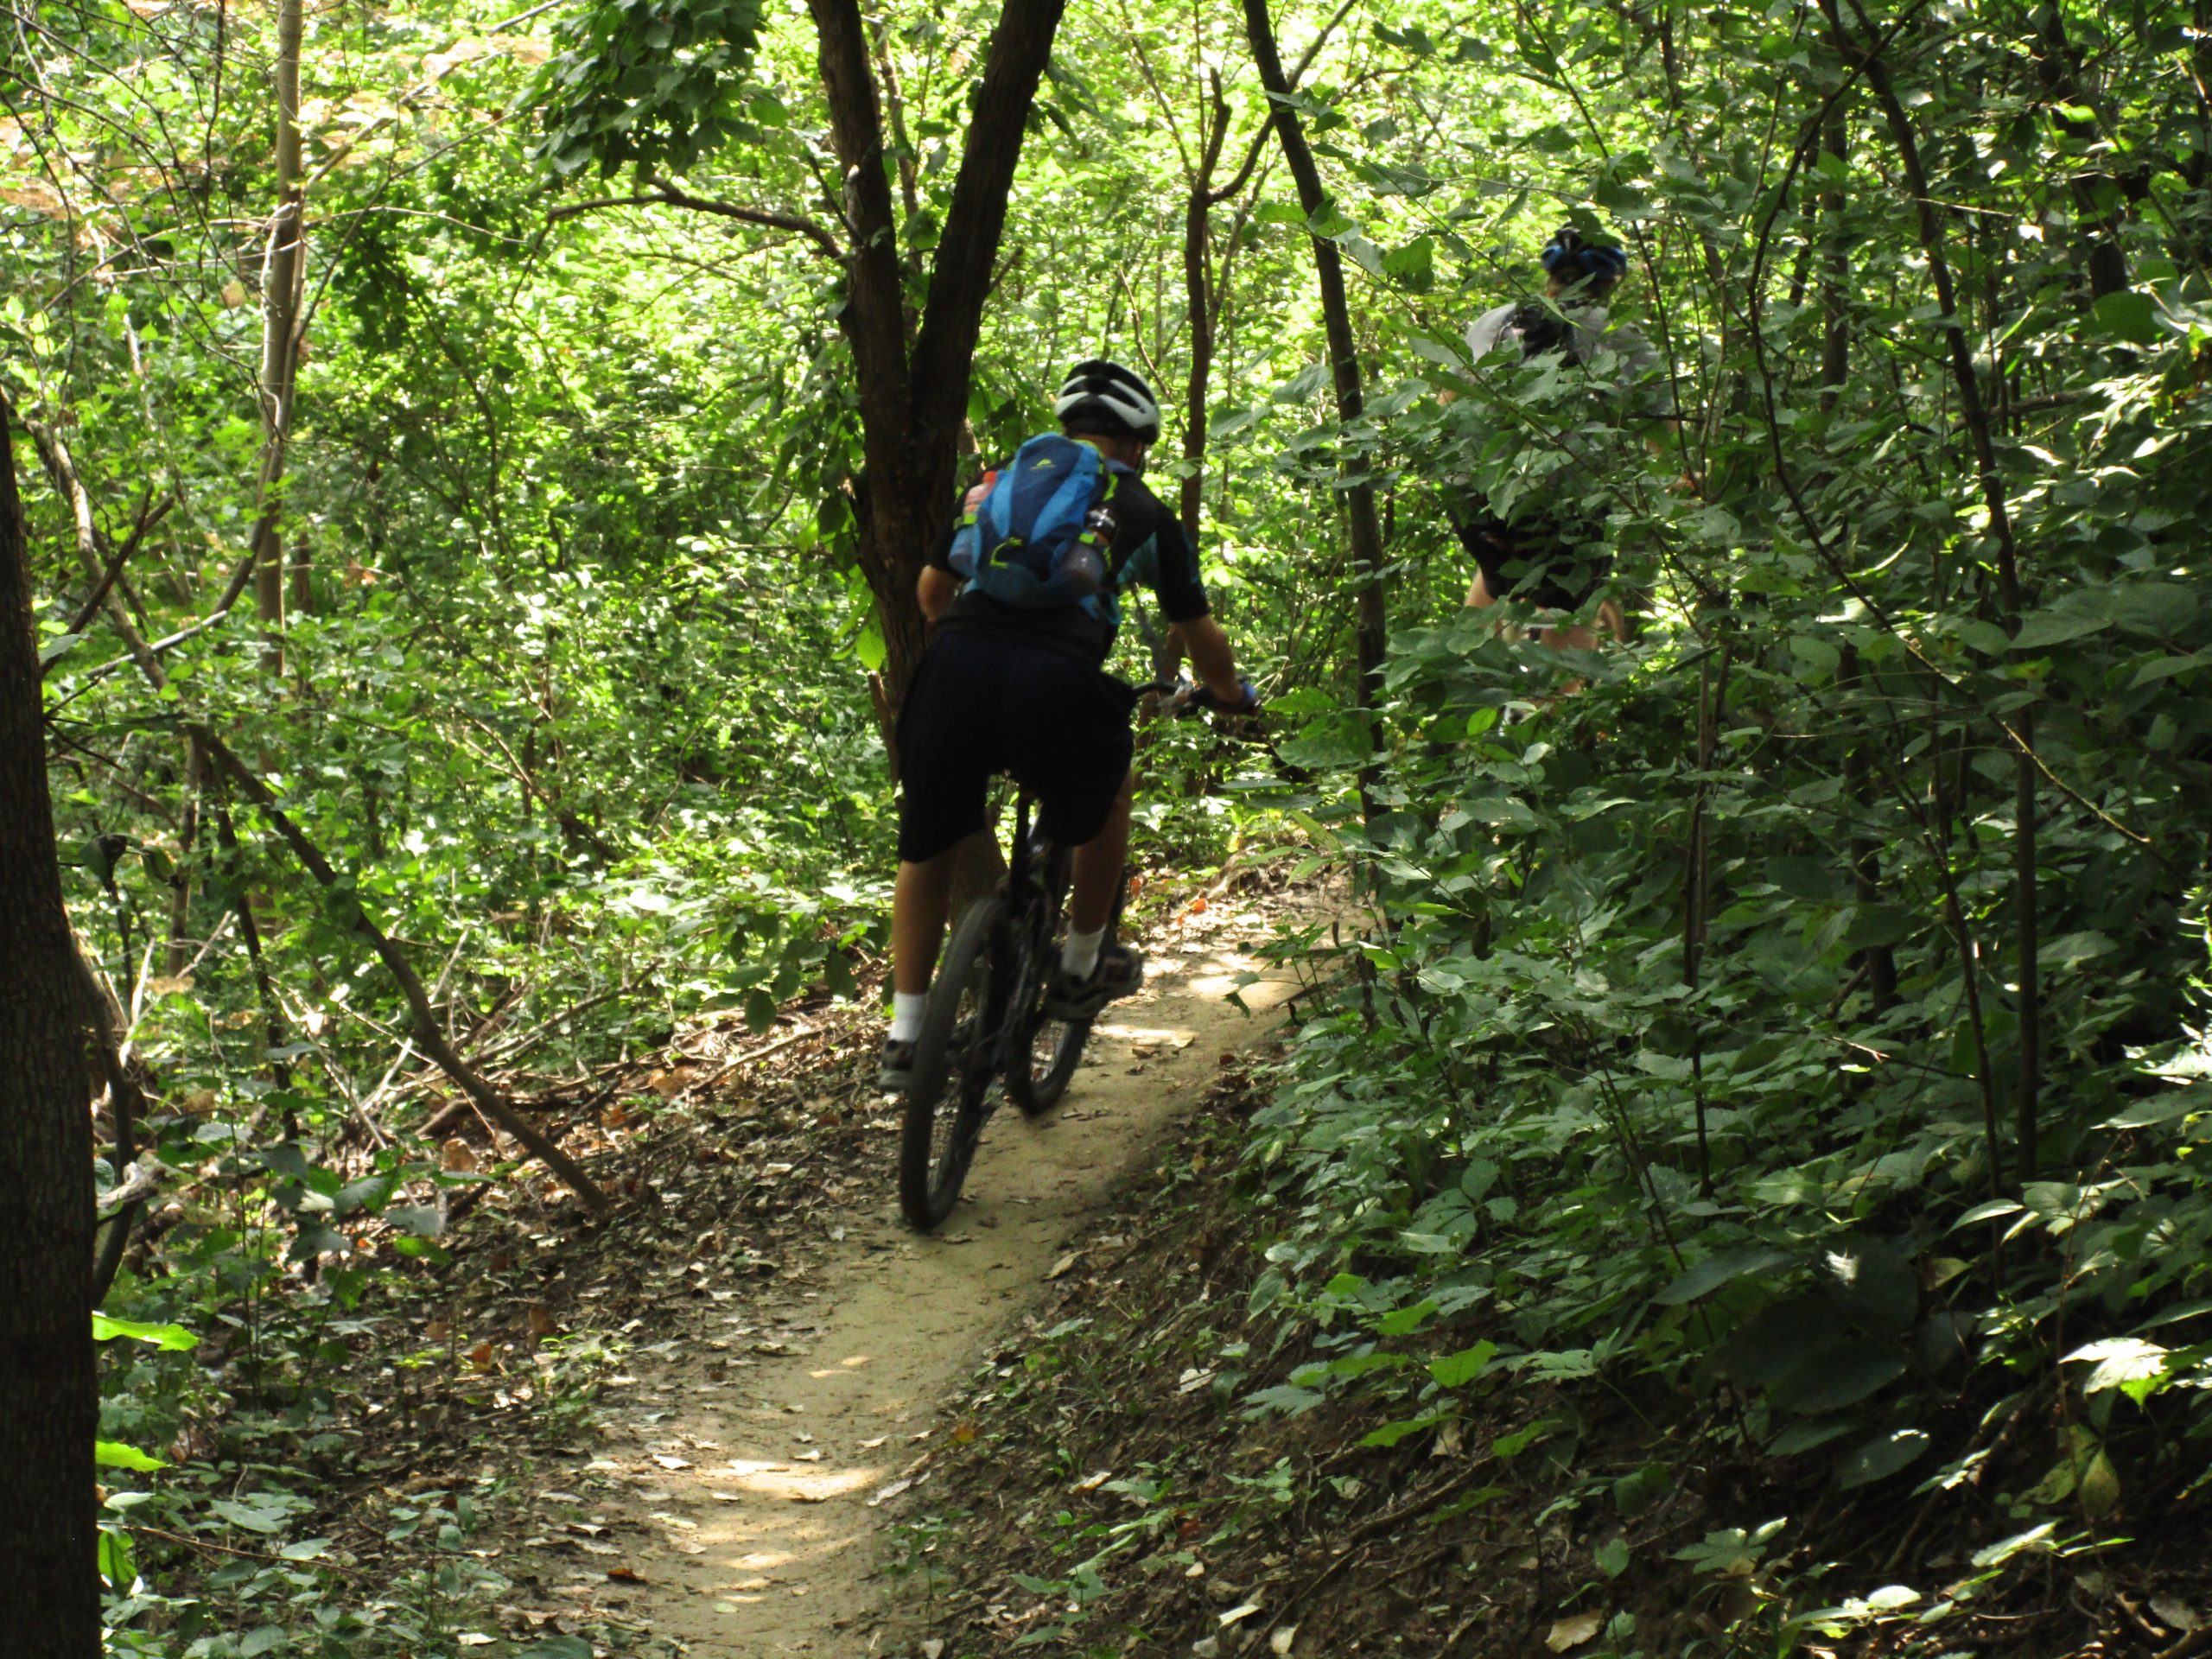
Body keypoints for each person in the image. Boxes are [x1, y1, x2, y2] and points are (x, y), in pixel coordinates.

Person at [879, 359, 1259, 1090]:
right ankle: (1083, 965)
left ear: (1066, 434)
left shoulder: (991, 487)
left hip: (955, 667)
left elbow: (931, 595)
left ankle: (904, 1033)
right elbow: (1203, 641)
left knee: (928, 845)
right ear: (1139, 444)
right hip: (1057, 681)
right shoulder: (1141, 509)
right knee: (1108, 792)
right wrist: (1234, 696)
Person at [1445, 225, 1666, 653]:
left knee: (1496, 574)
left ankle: (1463, 682)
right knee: (1576, 604)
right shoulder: (1617, 332)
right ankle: (1554, 712)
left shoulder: (1494, 320)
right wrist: (1674, 477)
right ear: (1607, 285)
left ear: (1549, 278)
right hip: (1558, 504)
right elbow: (1661, 422)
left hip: (1476, 502)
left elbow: (1447, 398)